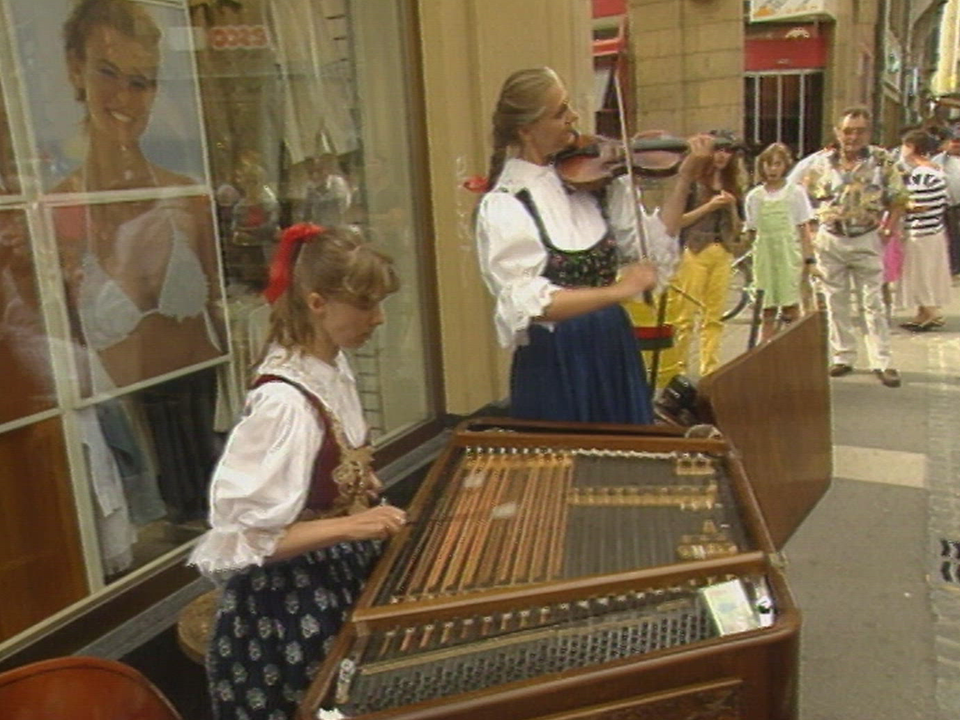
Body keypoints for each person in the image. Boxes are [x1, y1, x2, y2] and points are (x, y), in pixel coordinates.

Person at [189, 223, 407, 720]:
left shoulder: (329, 367)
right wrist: (353, 524)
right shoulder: (284, 402)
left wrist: (356, 486)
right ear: (316, 303)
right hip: (289, 603)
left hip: (339, 564)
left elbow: (327, 466)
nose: (379, 318)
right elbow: (241, 538)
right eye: (366, 305)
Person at [475, 67, 667, 424]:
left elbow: (648, 244)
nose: (573, 118)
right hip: (559, 358)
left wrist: (686, 176)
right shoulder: (507, 204)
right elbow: (533, 305)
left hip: (612, 344)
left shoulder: (590, 184)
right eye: (560, 112)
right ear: (526, 129)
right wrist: (620, 290)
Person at [53, 0, 223, 394]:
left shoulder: (187, 196)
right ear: (76, 70)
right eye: (108, 73)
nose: (124, 98)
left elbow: (219, 310)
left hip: (205, 405)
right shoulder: (55, 211)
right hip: (125, 422)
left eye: (140, 81)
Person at [797, 106, 908, 388]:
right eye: (848, 131)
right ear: (838, 132)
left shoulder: (882, 161)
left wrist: (889, 227)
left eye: (859, 131)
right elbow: (805, 200)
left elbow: (899, 197)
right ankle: (843, 355)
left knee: (874, 303)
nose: (853, 137)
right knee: (835, 301)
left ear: (869, 133)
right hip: (830, 238)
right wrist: (810, 232)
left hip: (867, 237)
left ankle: (882, 361)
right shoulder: (821, 163)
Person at [669, 129, 747, 378]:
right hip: (695, 250)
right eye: (718, 150)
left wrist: (732, 207)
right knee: (685, 316)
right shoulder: (693, 182)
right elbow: (677, 221)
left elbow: (738, 230)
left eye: (728, 151)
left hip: (722, 251)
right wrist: (709, 206)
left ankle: (710, 370)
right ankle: (678, 369)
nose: (722, 156)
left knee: (714, 317)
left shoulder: (732, 185)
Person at [743, 143, 817, 343]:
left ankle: (794, 347)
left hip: (788, 253)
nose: (772, 169)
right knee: (766, 307)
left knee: (790, 306)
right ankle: (765, 348)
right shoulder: (754, 196)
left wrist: (809, 259)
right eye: (768, 164)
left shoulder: (795, 193)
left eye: (777, 164)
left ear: (785, 166)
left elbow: (804, 229)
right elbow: (751, 231)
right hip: (764, 255)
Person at [896, 129, 951, 331]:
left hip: (921, 231)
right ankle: (923, 312)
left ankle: (931, 312)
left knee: (920, 274)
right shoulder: (934, 170)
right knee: (926, 272)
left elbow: (919, 204)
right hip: (933, 230)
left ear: (911, 147)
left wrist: (900, 204)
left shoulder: (922, 175)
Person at [932, 124, 960, 277]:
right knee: (951, 238)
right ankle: (953, 266)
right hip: (946, 206)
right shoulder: (938, 160)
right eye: (954, 141)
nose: (956, 144)